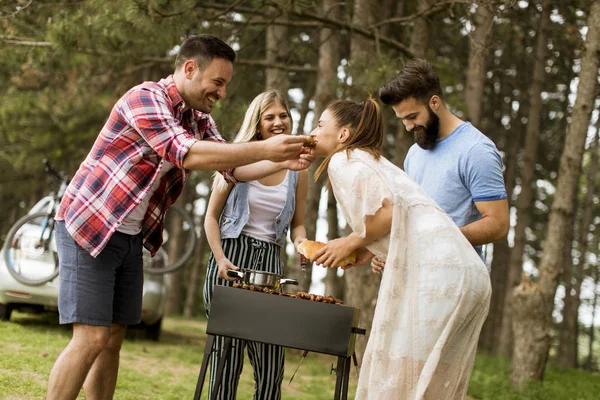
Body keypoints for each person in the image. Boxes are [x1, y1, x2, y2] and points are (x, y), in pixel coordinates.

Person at [46, 35, 313, 400]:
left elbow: (230, 163)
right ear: (190, 68)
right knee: (91, 337)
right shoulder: (145, 98)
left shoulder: (197, 117)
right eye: (217, 83)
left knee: (111, 340)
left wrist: (283, 160)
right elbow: (183, 152)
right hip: (91, 228)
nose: (221, 93)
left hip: (129, 236)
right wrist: (266, 148)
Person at [306, 97, 492, 399]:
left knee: (399, 381)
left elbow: (390, 212)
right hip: (469, 274)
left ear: (342, 135)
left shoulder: (344, 159)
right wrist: (368, 248)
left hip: (440, 275)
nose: (313, 133)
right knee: (428, 387)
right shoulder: (371, 160)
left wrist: (351, 240)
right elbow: (400, 216)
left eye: (319, 125)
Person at [202, 89, 308, 399]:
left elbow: (297, 223)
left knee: (271, 364)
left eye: (283, 115)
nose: (278, 122)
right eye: (269, 117)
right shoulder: (237, 158)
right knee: (226, 362)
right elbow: (210, 217)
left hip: (270, 267)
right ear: (258, 124)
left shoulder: (298, 171)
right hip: (231, 260)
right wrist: (220, 259)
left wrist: (303, 244)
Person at [377, 58, 509, 270]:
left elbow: (498, 224)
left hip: (459, 280)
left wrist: (438, 240)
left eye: (412, 116)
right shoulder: (414, 153)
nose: (409, 127)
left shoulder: (476, 150)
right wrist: (393, 252)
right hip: (416, 279)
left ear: (435, 102)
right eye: (402, 119)